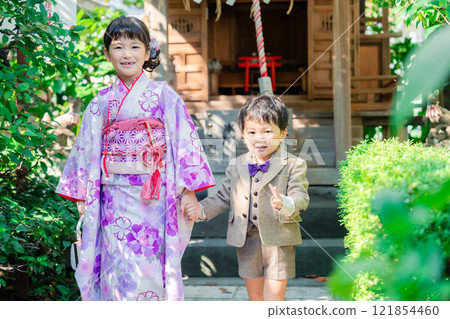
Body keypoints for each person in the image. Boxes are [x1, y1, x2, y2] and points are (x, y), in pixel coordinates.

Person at [56, 16, 215, 301]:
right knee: (116, 270)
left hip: (155, 198)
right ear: (107, 53)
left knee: (151, 266)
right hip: (113, 201)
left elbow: (183, 142)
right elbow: (86, 149)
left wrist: (188, 191)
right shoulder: (101, 101)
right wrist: (83, 195)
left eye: (134, 46)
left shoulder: (164, 96)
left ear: (147, 52)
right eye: (118, 47)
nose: (126, 54)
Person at [187, 95, 309, 301]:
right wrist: (200, 210)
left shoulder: (294, 164)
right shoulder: (237, 164)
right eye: (251, 132)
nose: (259, 138)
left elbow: (301, 196)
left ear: (283, 133)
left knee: (274, 299)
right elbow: (223, 196)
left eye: (267, 131)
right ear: (243, 135)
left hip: (278, 238)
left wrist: (286, 203)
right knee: (255, 298)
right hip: (247, 239)